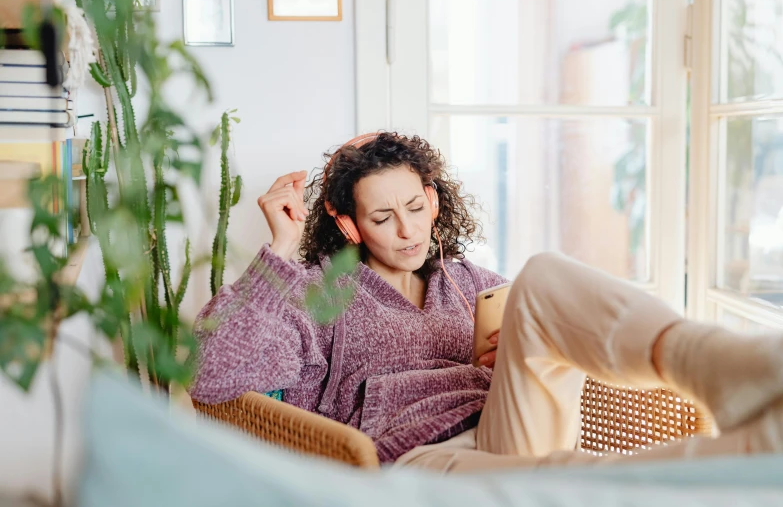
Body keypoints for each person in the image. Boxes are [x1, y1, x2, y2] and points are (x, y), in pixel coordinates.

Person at [189, 131, 783, 472]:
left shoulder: (472, 281)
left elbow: (551, 350)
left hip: (507, 428)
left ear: (434, 200)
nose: (407, 231)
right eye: (382, 217)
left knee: (544, 276)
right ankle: (748, 456)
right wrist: (282, 249)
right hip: (413, 462)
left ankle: (722, 366)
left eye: (416, 208)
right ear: (348, 227)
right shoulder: (316, 293)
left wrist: (514, 361)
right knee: (560, 479)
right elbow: (209, 374)